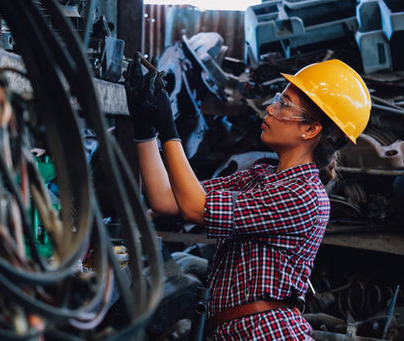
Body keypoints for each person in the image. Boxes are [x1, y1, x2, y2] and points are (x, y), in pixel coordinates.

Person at [124, 55, 371, 340]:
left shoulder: (305, 196)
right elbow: (166, 200)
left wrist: (168, 128)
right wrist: (145, 128)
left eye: (284, 104)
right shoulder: (257, 178)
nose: (270, 107)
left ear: (311, 129)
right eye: (278, 98)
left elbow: (195, 209)